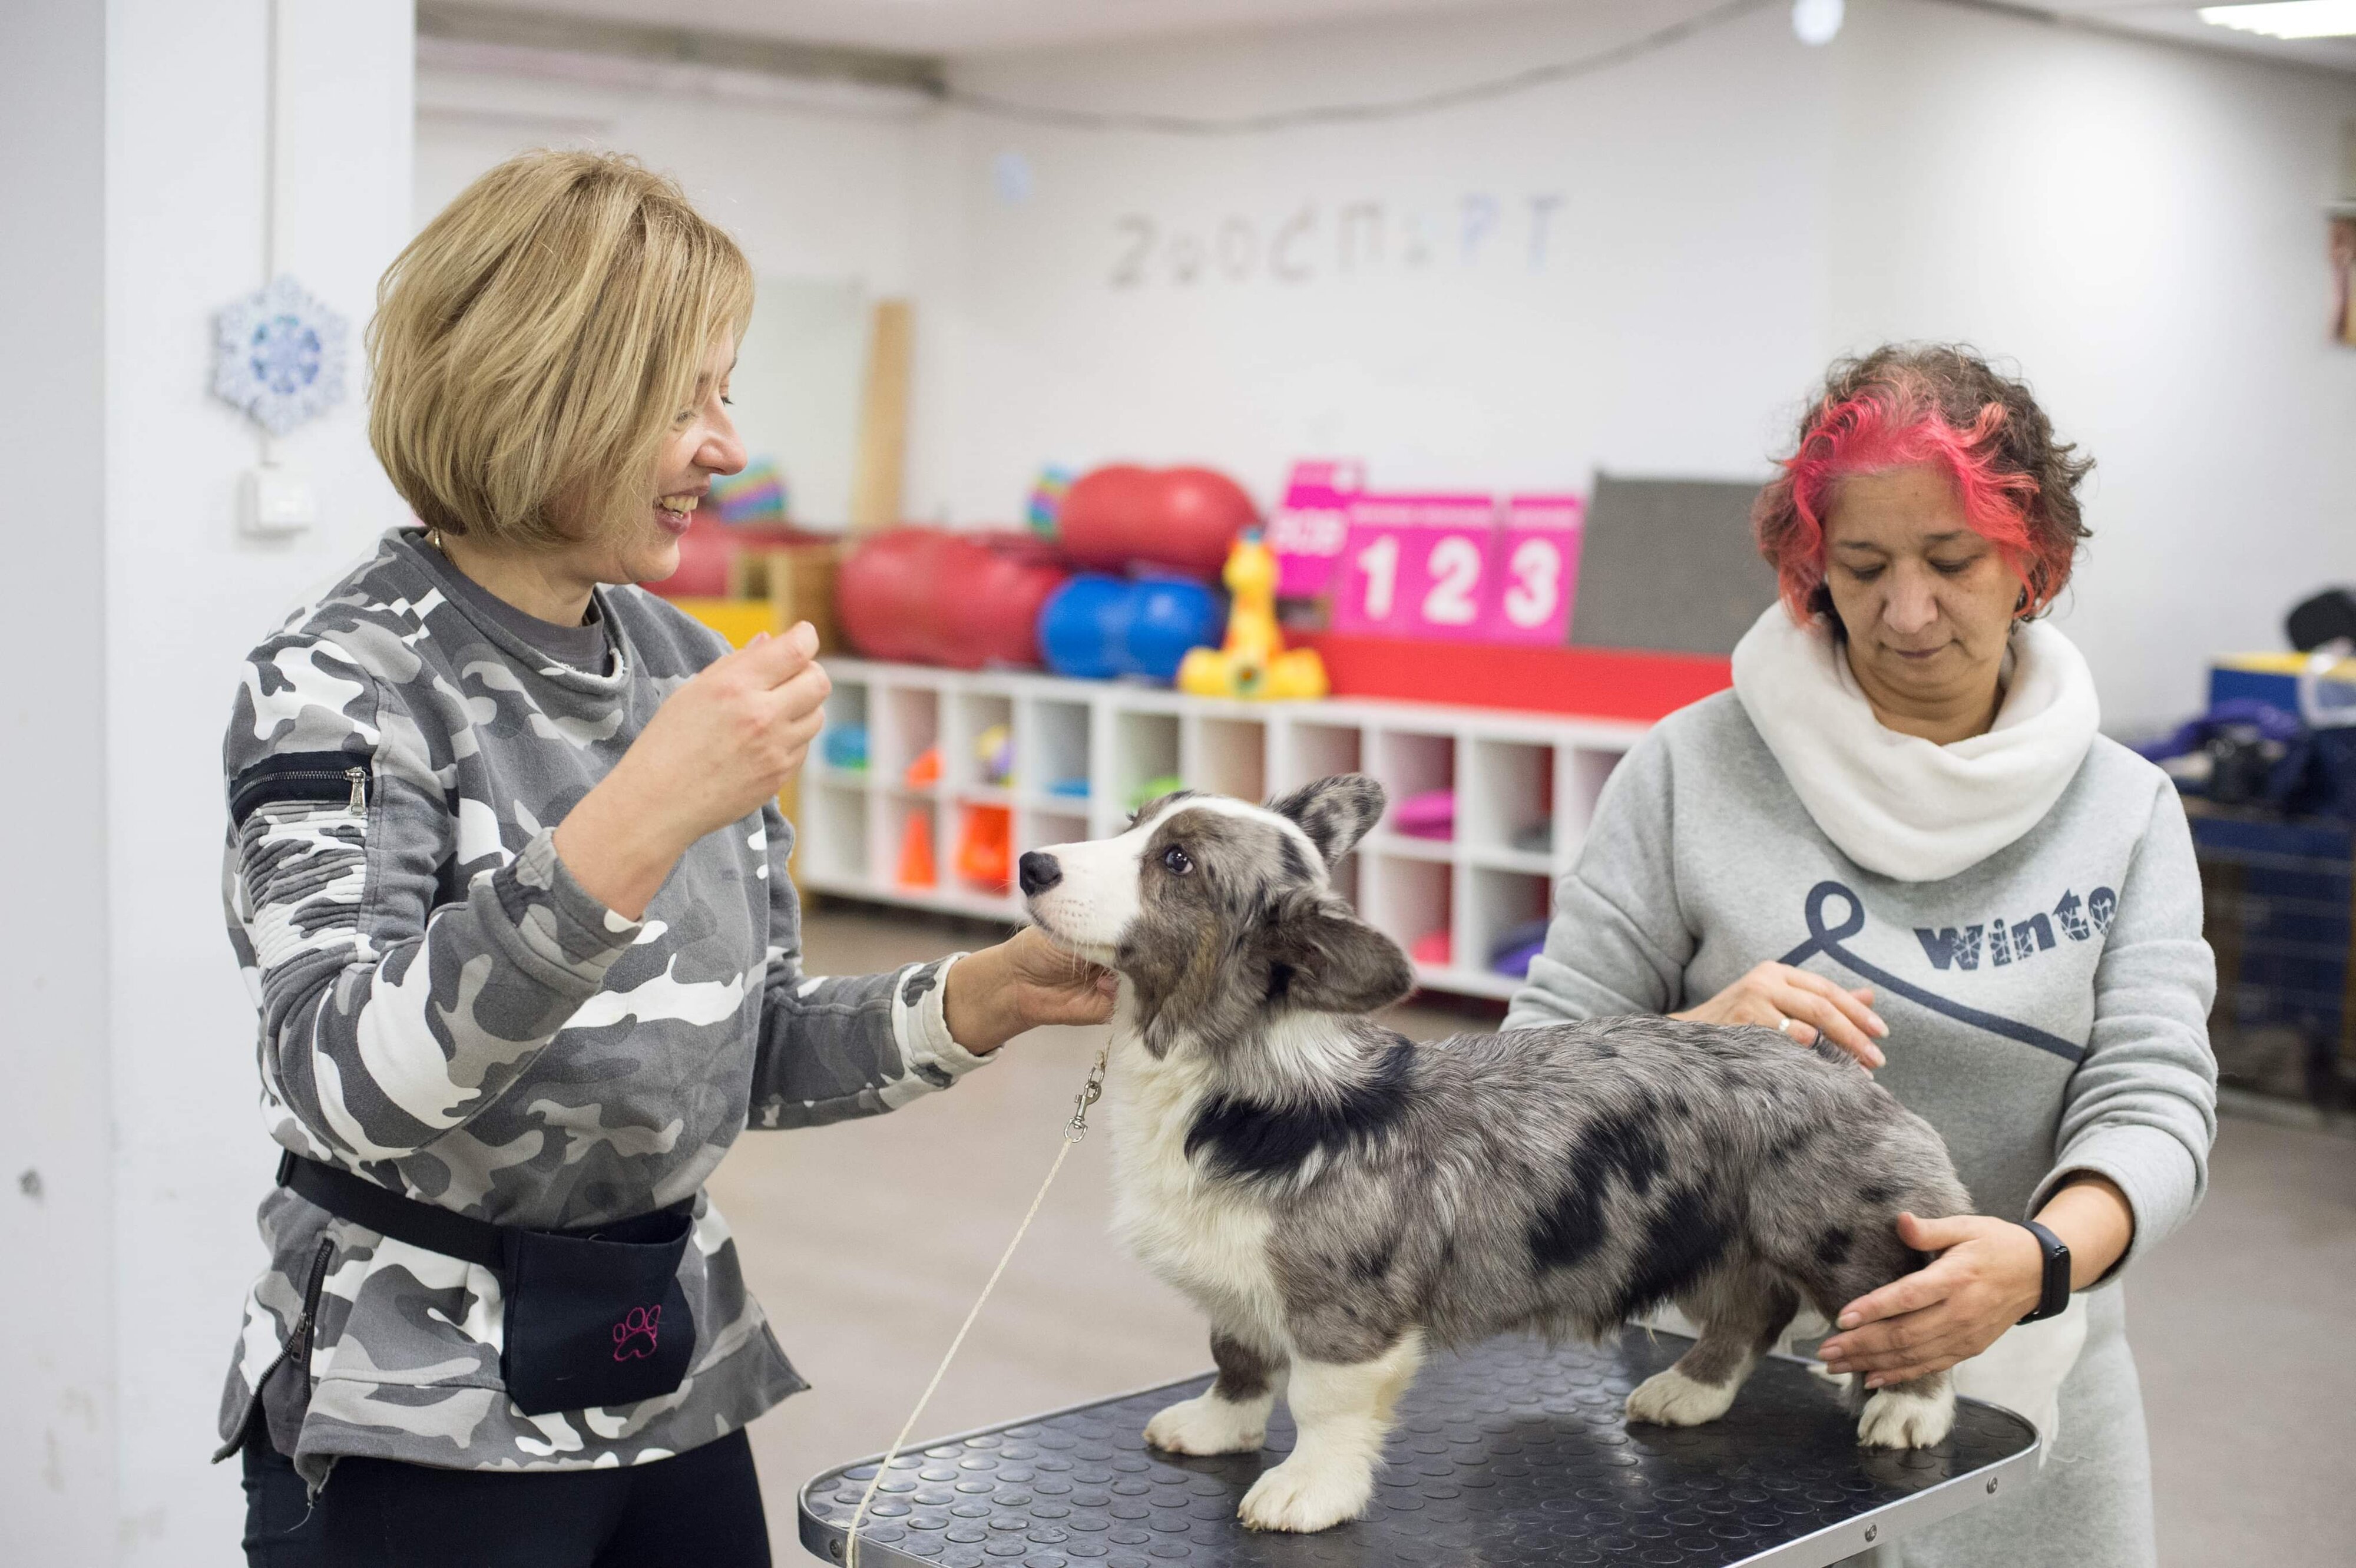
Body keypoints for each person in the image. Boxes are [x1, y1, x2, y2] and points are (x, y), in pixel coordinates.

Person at [216, 150, 1114, 1567]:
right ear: (544, 385)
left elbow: (736, 1048)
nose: (725, 445)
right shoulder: (346, 679)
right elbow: (339, 1081)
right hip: (417, 1407)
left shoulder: (688, 668)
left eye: (727, 392)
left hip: (668, 1369)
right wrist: (635, 817)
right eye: (683, 399)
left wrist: (981, 996)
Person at [1507, 345, 2216, 1567]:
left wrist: (2039, 1261)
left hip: (2027, 1381)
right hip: (1739, 1402)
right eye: (1861, 566)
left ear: (2031, 560)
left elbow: (2152, 1095)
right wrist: (1677, 1053)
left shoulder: (2125, 809)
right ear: (1808, 568)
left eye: (1950, 562)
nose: (1904, 611)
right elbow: (1526, 1076)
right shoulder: (1688, 770)